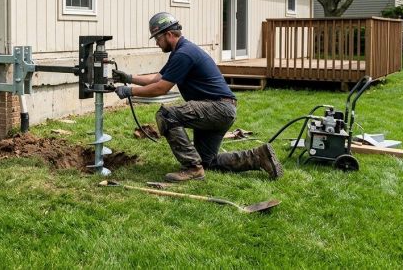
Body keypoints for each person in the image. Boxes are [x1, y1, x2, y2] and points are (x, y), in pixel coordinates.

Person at [112, 12, 283, 182]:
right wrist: (129, 78)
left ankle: (192, 168)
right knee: (207, 161)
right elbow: (157, 78)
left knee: (166, 115)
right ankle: (258, 157)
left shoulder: (183, 54)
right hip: (221, 109)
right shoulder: (181, 51)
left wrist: (130, 92)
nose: (157, 42)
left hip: (217, 108)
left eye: (157, 38)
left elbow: (161, 88)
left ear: (169, 34)